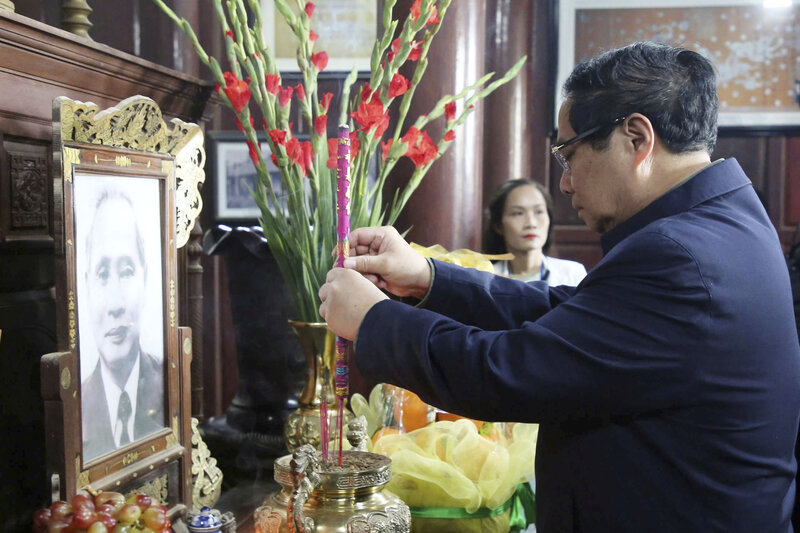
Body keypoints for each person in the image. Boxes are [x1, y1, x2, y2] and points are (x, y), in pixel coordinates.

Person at [319, 42, 800, 531]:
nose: (565, 185)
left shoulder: (680, 254)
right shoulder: (722, 223)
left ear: (636, 138)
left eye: (569, 155)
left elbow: (508, 372)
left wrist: (374, 319)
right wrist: (427, 276)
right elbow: (564, 313)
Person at [80, 189, 164, 460]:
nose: (115, 304)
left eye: (127, 272)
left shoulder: (170, 386)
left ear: (145, 278)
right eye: (102, 274)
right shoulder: (75, 408)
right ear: (86, 285)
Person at [485, 178, 586, 285]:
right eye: (518, 213)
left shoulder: (572, 274)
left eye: (539, 212)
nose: (531, 223)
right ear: (499, 226)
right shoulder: (487, 279)